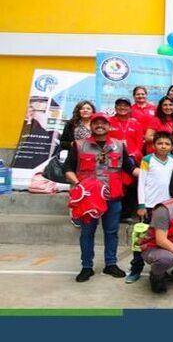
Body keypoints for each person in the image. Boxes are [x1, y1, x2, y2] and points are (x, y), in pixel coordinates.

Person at [64, 112, 139, 282]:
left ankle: (110, 264)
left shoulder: (119, 145)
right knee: (87, 233)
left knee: (111, 232)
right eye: (96, 123)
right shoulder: (79, 145)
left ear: (109, 126)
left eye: (103, 123)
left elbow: (129, 168)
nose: (100, 125)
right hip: (88, 199)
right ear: (90, 126)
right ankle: (86, 267)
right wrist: (78, 184)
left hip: (113, 197)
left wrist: (150, 174)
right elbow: (68, 168)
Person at [126, 131, 173, 283]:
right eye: (160, 143)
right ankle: (135, 269)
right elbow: (141, 183)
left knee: (163, 238)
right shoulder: (147, 160)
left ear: (171, 147)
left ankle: (162, 269)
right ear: (153, 145)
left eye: (167, 144)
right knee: (141, 239)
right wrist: (141, 204)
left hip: (166, 207)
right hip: (149, 206)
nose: (163, 146)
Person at [108, 98, 144, 222]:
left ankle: (125, 214)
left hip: (131, 159)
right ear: (115, 107)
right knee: (115, 184)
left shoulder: (135, 124)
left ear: (130, 108)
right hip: (112, 159)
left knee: (131, 184)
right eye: (119, 105)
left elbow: (139, 144)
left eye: (125, 105)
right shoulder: (109, 122)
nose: (122, 108)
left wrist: (134, 155)